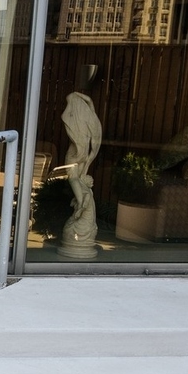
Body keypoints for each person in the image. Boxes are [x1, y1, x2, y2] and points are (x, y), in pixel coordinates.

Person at [58, 65, 103, 259]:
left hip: (75, 164)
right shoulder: (83, 149)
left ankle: (77, 222)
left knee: (77, 188)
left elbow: (90, 102)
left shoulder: (78, 149)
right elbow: (91, 103)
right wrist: (82, 97)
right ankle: (78, 221)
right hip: (78, 163)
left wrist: (77, 95)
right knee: (79, 190)